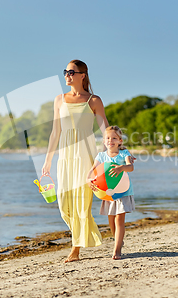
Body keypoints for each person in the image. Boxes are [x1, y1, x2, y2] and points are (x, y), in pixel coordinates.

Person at [41, 59, 109, 263]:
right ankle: (85, 235)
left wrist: (104, 158)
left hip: (86, 156)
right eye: (65, 71)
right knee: (64, 205)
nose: (67, 75)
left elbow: (106, 130)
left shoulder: (93, 101)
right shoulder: (59, 99)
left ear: (83, 75)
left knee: (81, 205)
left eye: (72, 72)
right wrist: (47, 161)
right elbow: (55, 132)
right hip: (65, 157)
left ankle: (75, 249)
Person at [87, 126, 135, 260]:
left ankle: (117, 249)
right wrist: (88, 180)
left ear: (120, 141)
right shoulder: (101, 156)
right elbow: (92, 171)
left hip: (123, 191)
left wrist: (121, 168)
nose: (110, 140)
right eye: (107, 138)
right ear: (103, 141)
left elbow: (131, 167)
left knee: (119, 219)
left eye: (114, 138)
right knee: (111, 220)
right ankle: (118, 240)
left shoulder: (124, 154)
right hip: (107, 193)